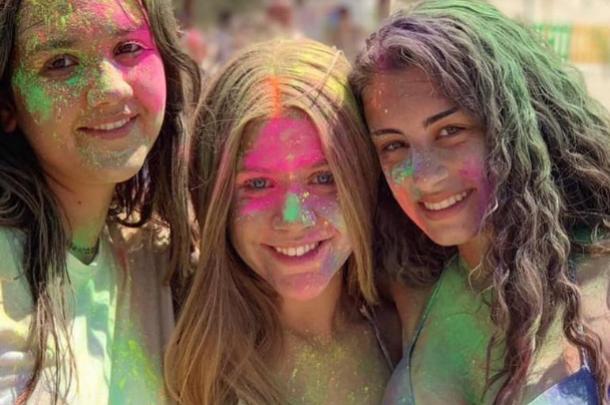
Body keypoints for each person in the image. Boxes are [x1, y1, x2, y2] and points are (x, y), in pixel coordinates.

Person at [350, 0, 610, 403]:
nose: (424, 174)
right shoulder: (404, 285)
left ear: (516, 125)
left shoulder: (601, 275)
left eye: (450, 130)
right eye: (393, 145)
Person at [165, 39, 394, 405]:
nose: (293, 219)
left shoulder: (411, 328)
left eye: (323, 177)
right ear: (214, 199)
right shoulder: (177, 354)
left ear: (365, 178)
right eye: (257, 184)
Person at [0, 0, 200, 403]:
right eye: (60, 63)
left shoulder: (161, 261)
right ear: (8, 106)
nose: (110, 89)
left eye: (128, 49)